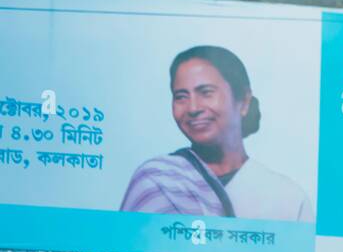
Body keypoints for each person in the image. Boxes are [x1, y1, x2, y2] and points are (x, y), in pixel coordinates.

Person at [120, 45, 314, 222]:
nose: (193, 108)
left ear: (244, 101)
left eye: (206, 93)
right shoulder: (156, 181)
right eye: (181, 97)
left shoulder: (287, 198)